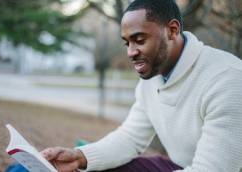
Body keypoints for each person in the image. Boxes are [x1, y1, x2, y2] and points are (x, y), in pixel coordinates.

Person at [41, 0, 242, 171]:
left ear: (172, 31)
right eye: (127, 43)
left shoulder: (228, 80)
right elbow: (130, 138)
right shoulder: (153, 76)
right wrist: (80, 157)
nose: (131, 52)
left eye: (139, 40)